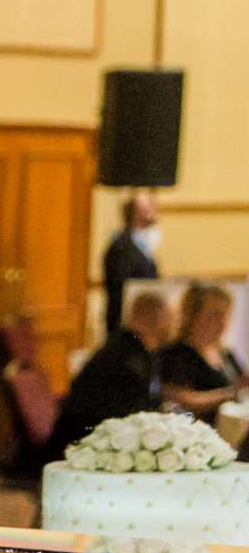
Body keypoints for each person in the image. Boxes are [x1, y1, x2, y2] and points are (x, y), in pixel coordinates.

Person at [47, 287, 179, 458]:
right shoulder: (126, 355)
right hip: (86, 443)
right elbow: (131, 410)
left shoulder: (132, 347)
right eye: (165, 319)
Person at [157, 281, 243, 419]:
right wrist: (230, 393)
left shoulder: (226, 354)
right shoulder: (175, 353)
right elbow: (179, 400)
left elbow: (241, 384)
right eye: (214, 315)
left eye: (225, 315)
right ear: (192, 315)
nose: (222, 322)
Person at [102, 192, 161, 341]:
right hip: (127, 325)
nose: (154, 210)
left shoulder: (143, 243)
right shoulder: (120, 246)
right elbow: (120, 287)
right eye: (149, 207)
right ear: (136, 213)